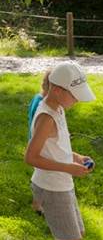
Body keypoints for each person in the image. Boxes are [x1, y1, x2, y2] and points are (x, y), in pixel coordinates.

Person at [25, 61, 103, 240]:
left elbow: (56, 148)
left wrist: (75, 157)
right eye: (75, 96)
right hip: (51, 187)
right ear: (58, 90)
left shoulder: (58, 108)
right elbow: (31, 157)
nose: (78, 101)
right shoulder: (47, 116)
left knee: (76, 235)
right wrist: (67, 168)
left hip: (63, 183)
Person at [28, 70, 50, 215]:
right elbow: (39, 127)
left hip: (36, 140)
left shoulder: (37, 97)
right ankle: (38, 204)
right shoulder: (42, 104)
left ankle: (38, 203)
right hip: (41, 144)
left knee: (41, 173)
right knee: (44, 173)